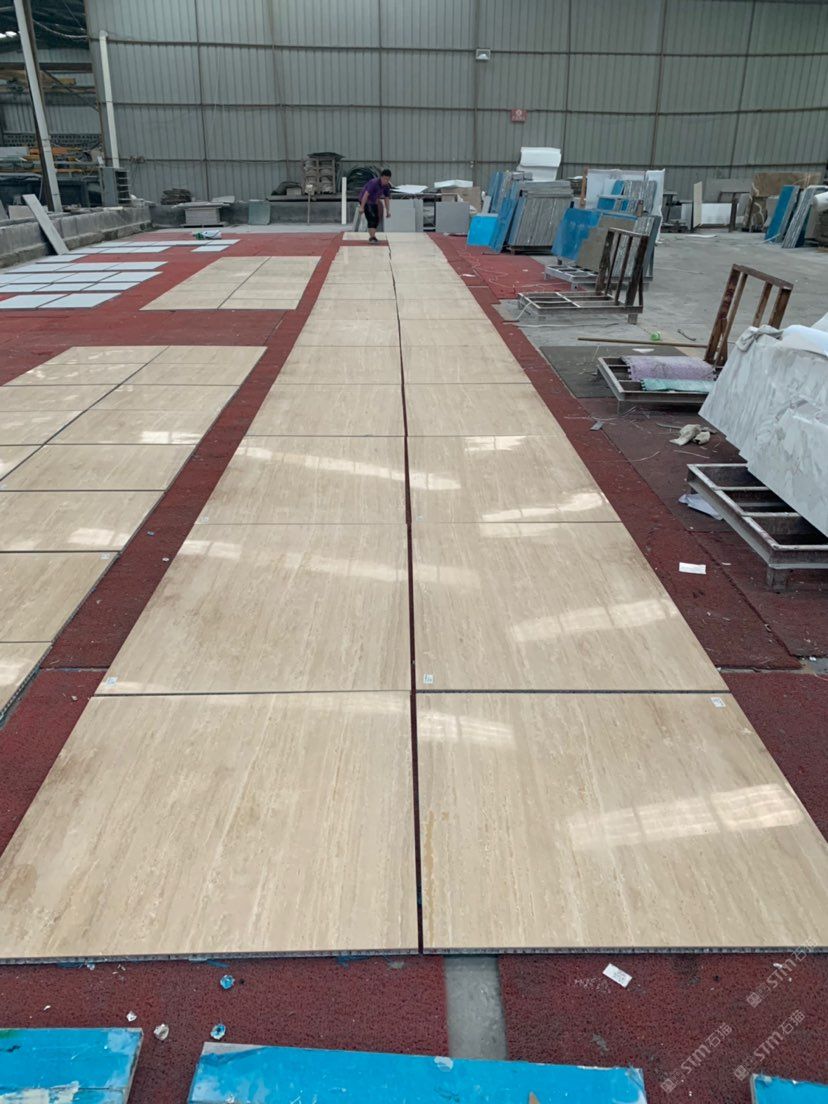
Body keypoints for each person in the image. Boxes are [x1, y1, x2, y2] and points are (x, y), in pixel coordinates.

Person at [359, 169, 392, 243]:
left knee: (376, 219)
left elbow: (386, 198)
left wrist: (388, 211)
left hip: (374, 201)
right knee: (372, 217)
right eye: (385, 179)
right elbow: (366, 195)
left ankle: (372, 237)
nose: (386, 181)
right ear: (381, 177)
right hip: (365, 200)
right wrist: (361, 207)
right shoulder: (374, 183)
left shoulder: (386, 186)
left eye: (388, 179)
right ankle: (372, 237)